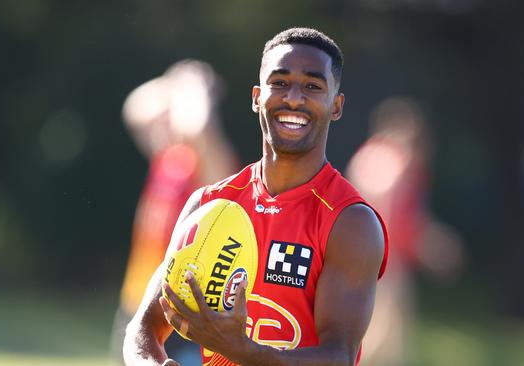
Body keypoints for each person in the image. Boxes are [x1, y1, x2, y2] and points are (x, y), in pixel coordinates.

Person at [123, 27, 389, 366]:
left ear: (336, 106)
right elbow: (143, 327)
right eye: (279, 83)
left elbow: (339, 357)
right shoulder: (208, 206)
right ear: (256, 97)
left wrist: (241, 350)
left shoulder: (350, 221)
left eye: (312, 86)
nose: (293, 98)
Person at [112, 60, 238, 365]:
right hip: (139, 297)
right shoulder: (169, 156)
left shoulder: (213, 163)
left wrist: (194, 86)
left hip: (178, 312)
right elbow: (136, 110)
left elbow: (198, 127)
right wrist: (176, 82)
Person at [346, 97, 464, 365]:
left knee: (376, 341)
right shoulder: (402, 165)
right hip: (388, 265)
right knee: (382, 345)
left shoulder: (364, 157)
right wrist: (434, 248)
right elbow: (401, 221)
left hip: (355, 258)